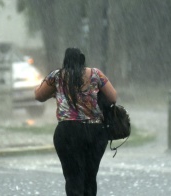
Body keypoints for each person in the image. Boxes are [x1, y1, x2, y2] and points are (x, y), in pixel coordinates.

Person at [34, 48, 117, 196]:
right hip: (95, 131)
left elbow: (39, 96)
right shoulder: (96, 74)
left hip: (68, 132)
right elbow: (113, 97)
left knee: (73, 177)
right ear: (82, 60)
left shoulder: (57, 76)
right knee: (90, 177)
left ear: (65, 60)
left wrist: (54, 91)